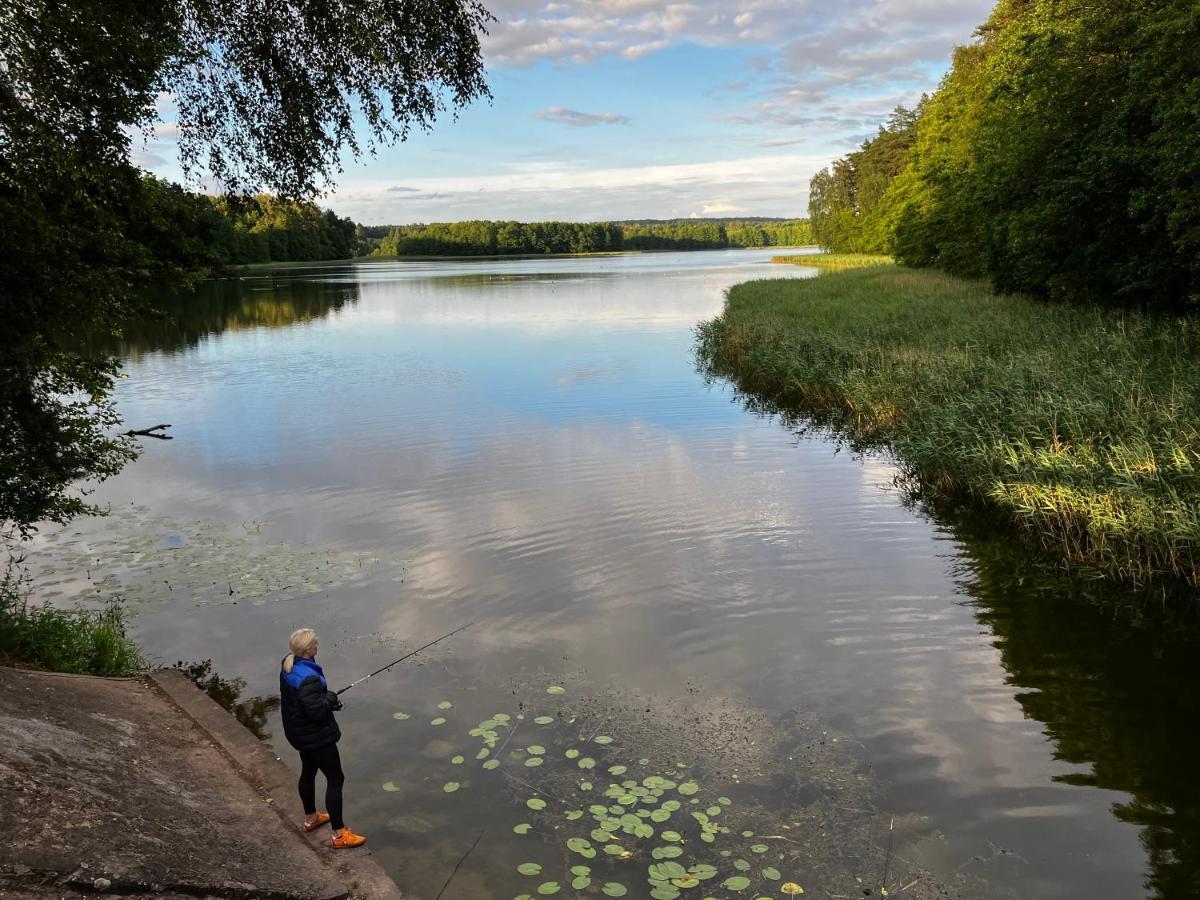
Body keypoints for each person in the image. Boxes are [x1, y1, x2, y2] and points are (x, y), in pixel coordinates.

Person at [279, 627, 367, 848]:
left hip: (298, 734)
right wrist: (330, 698)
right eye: (315, 643)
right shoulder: (309, 678)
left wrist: (324, 699)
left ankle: (311, 818)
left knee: (308, 771)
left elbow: (304, 703)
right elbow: (317, 711)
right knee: (336, 779)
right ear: (310, 649)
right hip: (316, 737)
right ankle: (339, 835)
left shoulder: (289, 665)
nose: (318, 645)